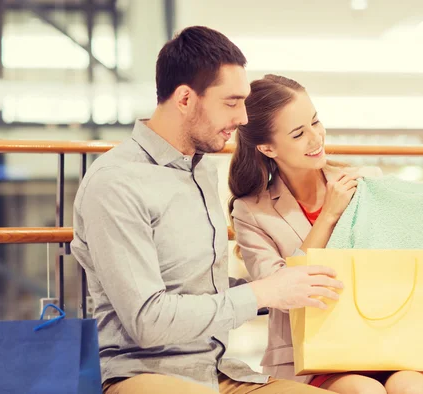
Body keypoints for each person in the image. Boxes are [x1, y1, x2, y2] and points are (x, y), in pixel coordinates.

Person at [71, 26, 342, 394]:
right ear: (185, 99)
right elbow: (147, 321)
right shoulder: (117, 183)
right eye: (231, 102)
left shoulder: (199, 170)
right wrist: (263, 294)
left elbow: (199, 290)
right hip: (140, 375)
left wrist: (278, 287)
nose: (244, 118)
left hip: (218, 371)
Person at [228, 74, 423, 394]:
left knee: (414, 388)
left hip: (388, 338)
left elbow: (416, 241)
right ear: (267, 146)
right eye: (298, 133)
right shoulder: (252, 210)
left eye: (315, 121)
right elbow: (278, 290)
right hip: (312, 355)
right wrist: (329, 216)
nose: (315, 137)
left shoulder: (366, 182)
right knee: (367, 392)